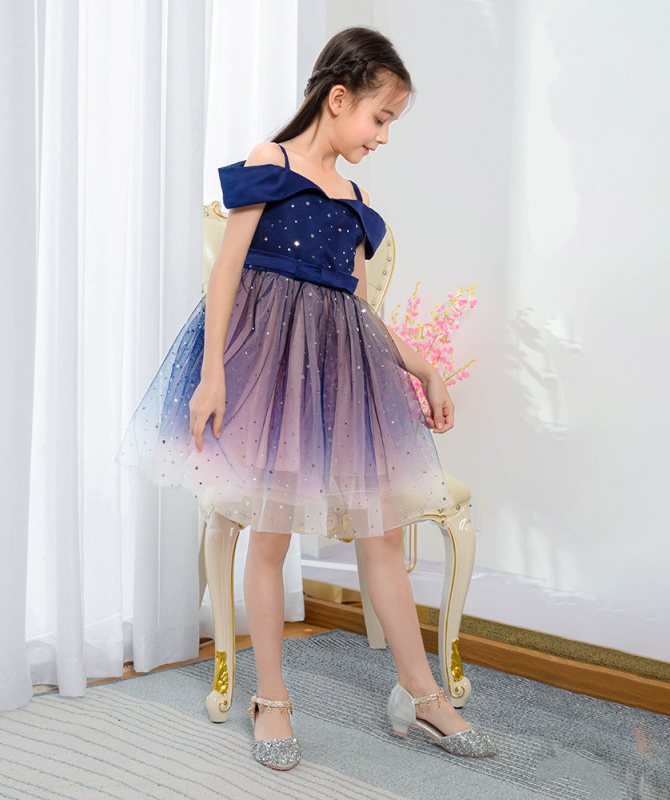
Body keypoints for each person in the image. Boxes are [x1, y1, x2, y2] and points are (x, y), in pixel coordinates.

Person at [115, 25, 496, 770]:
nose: (383, 136)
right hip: (270, 383)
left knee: (382, 535)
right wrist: (213, 374)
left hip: (342, 384)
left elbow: (360, 308)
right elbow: (226, 272)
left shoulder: (356, 200)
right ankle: (272, 700)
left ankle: (421, 696)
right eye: (380, 117)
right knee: (271, 536)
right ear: (339, 97)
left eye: (391, 123)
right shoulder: (271, 163)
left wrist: (423, 367)